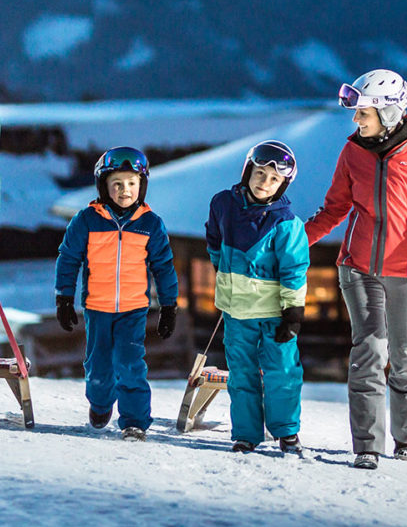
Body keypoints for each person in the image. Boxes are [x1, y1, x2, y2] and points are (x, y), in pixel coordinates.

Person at [306, 70, 407, 470]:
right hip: (359, 267)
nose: (356, 121)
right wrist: (294, 244)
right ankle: (367, 445)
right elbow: (334, 209)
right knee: (369, 350)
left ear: (388, 113)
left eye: (362, 113)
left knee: (405, 355)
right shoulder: (353, 152)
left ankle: (406, 437)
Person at [54, 146, 178, 440]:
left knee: (130, 362)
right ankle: (99, 403)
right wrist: (63, 297)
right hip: (97, 307)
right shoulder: (86, 220)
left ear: (142, 186)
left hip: (133, 308)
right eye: (117, 184)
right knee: (98, 365)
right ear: (104, 186)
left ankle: (134, 419)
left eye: (132, 183)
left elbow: (163, 266)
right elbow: (68, 258)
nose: (125, 190)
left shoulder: (150, 224)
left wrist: (169, 306)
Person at [205, 141, 310, 454]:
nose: (265, 182)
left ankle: (286, 432)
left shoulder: (286, 224)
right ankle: (247, 434)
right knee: (241, 376)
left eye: (274, 179)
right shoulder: (223, 204)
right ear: (248, 171)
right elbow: (213, 241)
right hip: (237, 313)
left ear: (282, 185)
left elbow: (294, 270)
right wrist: (222, 274)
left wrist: (293, 313)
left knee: (283, 373)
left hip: (273, 316)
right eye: (260, 173)